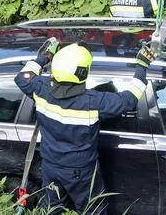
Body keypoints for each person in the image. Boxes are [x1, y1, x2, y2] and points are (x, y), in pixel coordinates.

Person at [15, 40, 155, 215]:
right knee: (92, 210)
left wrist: (43, 57)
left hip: (50, 166)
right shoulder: (93, 102)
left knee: (50, 209)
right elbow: (129, 99)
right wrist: (142, 66)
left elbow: (22, 76)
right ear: (83, 72)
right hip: (80, 172)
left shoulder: (40, 89)